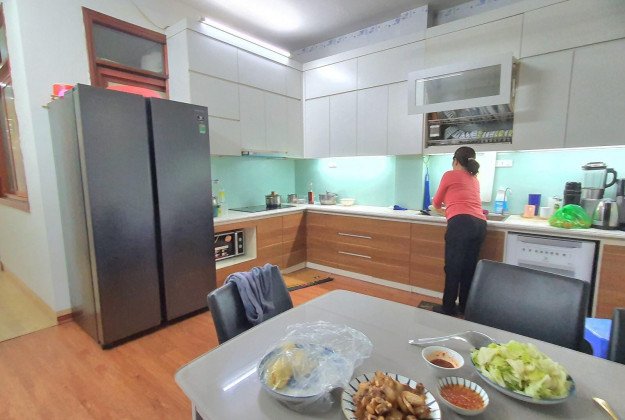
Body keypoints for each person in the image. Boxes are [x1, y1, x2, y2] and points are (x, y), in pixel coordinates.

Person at [431, 146, 487, 316]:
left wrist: (445, 209)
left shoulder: (450, 175)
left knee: (453, 267)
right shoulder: (474, 179)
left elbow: (436, 202)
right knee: (469, 268)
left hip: (461, 223)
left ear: (455, 161)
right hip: (480, 225)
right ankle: (464, 307)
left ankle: (448, 308)